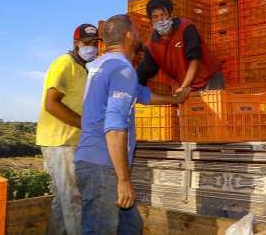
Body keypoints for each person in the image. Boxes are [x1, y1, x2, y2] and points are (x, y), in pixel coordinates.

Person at [74, 14, 190, 234]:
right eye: (137, 31)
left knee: (130, 226)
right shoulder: (123, 70)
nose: (139, 35)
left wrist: (175, 99)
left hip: (94, 162)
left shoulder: (102, 65)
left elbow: (141, 94)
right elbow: (115, 127)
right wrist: (124, 179)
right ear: (129, 36)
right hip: (104, 166)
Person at [35, 23, 101, 235]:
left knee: (62, 200)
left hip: (71, 141)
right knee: (73, 199)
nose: (91, 47)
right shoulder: (64, 64)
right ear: (76, 43)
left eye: (95, 43)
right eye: (87, 43)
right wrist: (83, 123)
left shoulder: (83, 68)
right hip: (59, 141)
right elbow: (51, 104)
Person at [136, 0, 224, 94]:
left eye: (163, 15)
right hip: (187, 85)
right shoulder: (151, 46)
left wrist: (184, 87)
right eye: (155, 17)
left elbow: (195, 60)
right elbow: (146, 70)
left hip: (209, 79)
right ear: (151, 20)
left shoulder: (186, 28)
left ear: (171, 15)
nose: (160, 20)